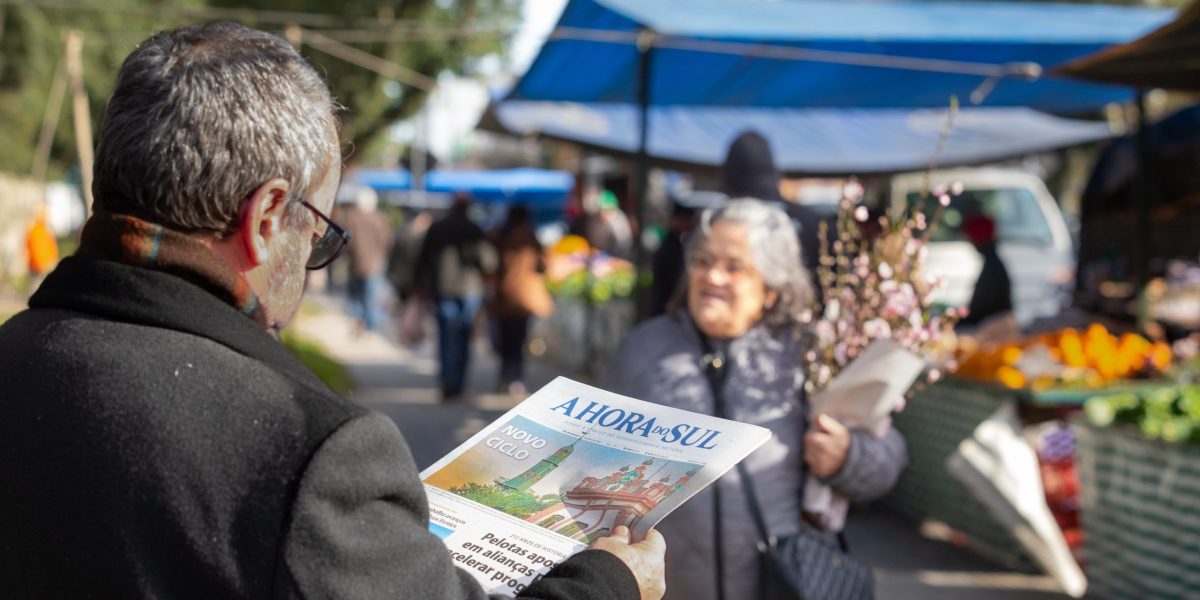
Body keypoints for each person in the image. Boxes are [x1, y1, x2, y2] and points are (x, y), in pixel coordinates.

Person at [0, 22, 664, 600]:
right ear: (264, 218)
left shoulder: (17, 353)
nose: (314, 252)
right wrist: (608, 582)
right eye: (319, 229)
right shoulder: (309, 452)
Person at [604, 199, 906, 600]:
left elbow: (890, 457)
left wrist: (847, 457)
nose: (712, 276)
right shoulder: (641, 351)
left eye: (734, 267)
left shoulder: (809, 354)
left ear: (771, 288)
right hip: (666, 586)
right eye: (703, 261)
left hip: (778, 582)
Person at [414, 193, 498, 399]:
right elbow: (489, 262)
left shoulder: (437, 228)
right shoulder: (475, 230)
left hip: (443, 288)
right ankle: (458, 384)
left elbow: (423, 259)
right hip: (470, 290)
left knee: (445, 337)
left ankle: (447, 382)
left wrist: (420, 286)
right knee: (463, 337)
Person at [489, 205, 554, 396]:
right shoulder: (532, 239)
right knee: (519, 340)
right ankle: (516, 379)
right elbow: (543, 266)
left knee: (505, 340)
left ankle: (504, 377)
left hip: (504, 295)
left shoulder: (500, 238)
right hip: (524, 297)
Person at [339, 183, 393, 333]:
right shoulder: (379, 219)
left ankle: (358, 323)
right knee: (372, 300)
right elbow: (387, 242)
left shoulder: (351, 219)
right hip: (375, 265)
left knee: (356, 297)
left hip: (355, 264)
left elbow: (346, 243)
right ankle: (370, 329)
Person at [959, 213, 1014, 328]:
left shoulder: (992, 266)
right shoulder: (992, 262)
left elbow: (981, 308)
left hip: (991, 328)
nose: (969, 241)